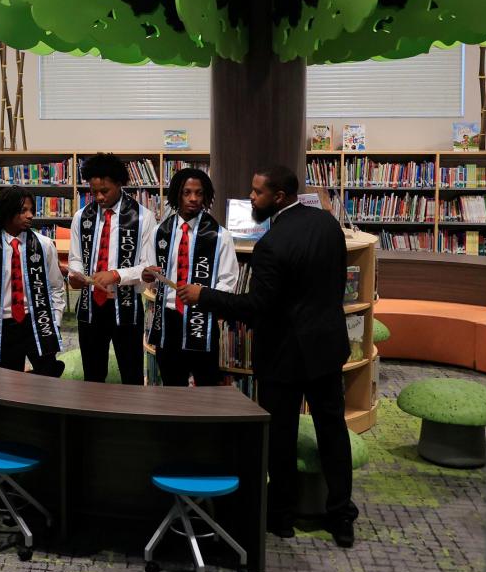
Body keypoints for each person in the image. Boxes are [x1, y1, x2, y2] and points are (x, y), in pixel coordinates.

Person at [178, 165, 359, 547]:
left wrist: (203, 296)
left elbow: (257, 307)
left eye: (257, 193)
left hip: (284, 356)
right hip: (326, 348)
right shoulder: (328, 224)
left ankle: (281, 516)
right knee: (333, 431)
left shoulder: (270, 246)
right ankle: (341, 516)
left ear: (278, 197)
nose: (251, 198)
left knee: (281, 435)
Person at [135, 168, 239, 387]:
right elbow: (151, 274)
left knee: (206, 385)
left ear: (206, 196)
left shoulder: (220, 236)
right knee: (172, 385)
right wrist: (147, 274)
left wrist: (203, 296)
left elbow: (228, 283)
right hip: (168, 319)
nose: (193, 199)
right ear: (177, 195)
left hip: (202, 320)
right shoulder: (159, 232)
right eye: (187, 192)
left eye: (199, 193)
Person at [67, 153, 157, 385]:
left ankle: (131, 418)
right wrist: (75, 275)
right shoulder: (81, 217)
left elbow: (148, 266)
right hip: (90, 306)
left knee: (131, 372)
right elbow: (76, 257)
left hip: (125, 305)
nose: (98, 197)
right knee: (93, 373)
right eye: (93, 191)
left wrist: (117, 275)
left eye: (104, 190)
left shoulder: (143, 218)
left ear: (119, 184)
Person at [0, 187, 66, 376]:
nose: (30, 216)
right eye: (23, 211)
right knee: (7, 384)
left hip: (38, 321)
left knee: (48, 378)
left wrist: (56, 323)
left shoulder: (44, 245)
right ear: (7, 213)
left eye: (31, 210)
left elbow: (56, 287)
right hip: (3, 325)